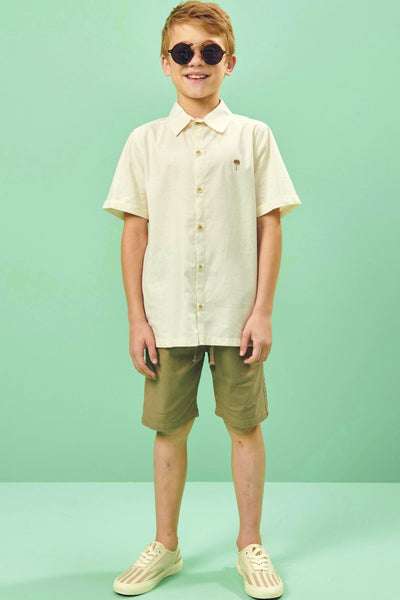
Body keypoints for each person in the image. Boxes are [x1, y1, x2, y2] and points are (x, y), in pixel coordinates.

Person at [103, 1, 301, 597]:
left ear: (229, 62)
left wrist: (262, 310)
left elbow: (270, 224)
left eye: (210, 51)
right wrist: (137, 319)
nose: (197, 61)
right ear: (166, 62)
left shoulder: (253, 136)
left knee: (245, 426)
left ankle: (250, 545)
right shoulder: (144, 141)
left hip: (236, 313)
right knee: (170, 430)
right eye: (183, 51)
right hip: (166, 315)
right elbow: (133, 230)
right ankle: (165, 546)